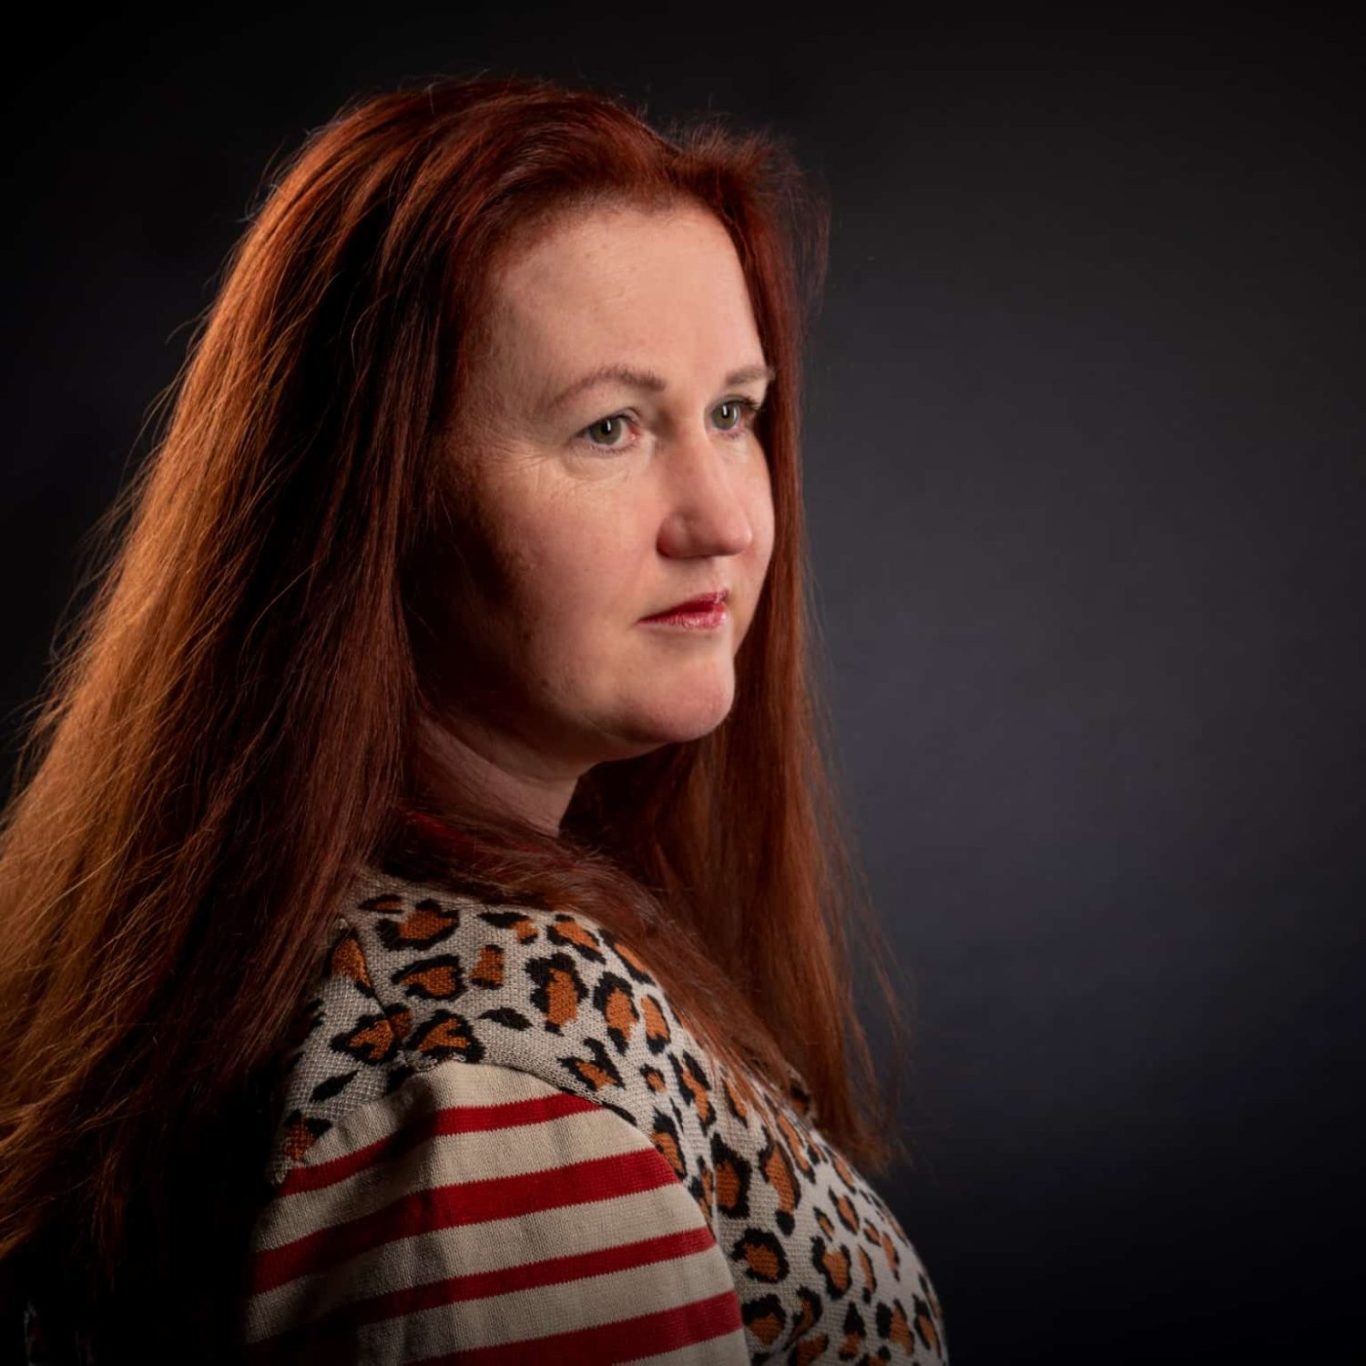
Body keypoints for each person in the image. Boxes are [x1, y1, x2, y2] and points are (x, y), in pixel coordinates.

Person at [0, 74, 948, 1362]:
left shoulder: (404, 965)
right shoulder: (483, 1107)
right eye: (609, 427)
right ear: (377, 498)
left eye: (733, 412)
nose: (726, 518)